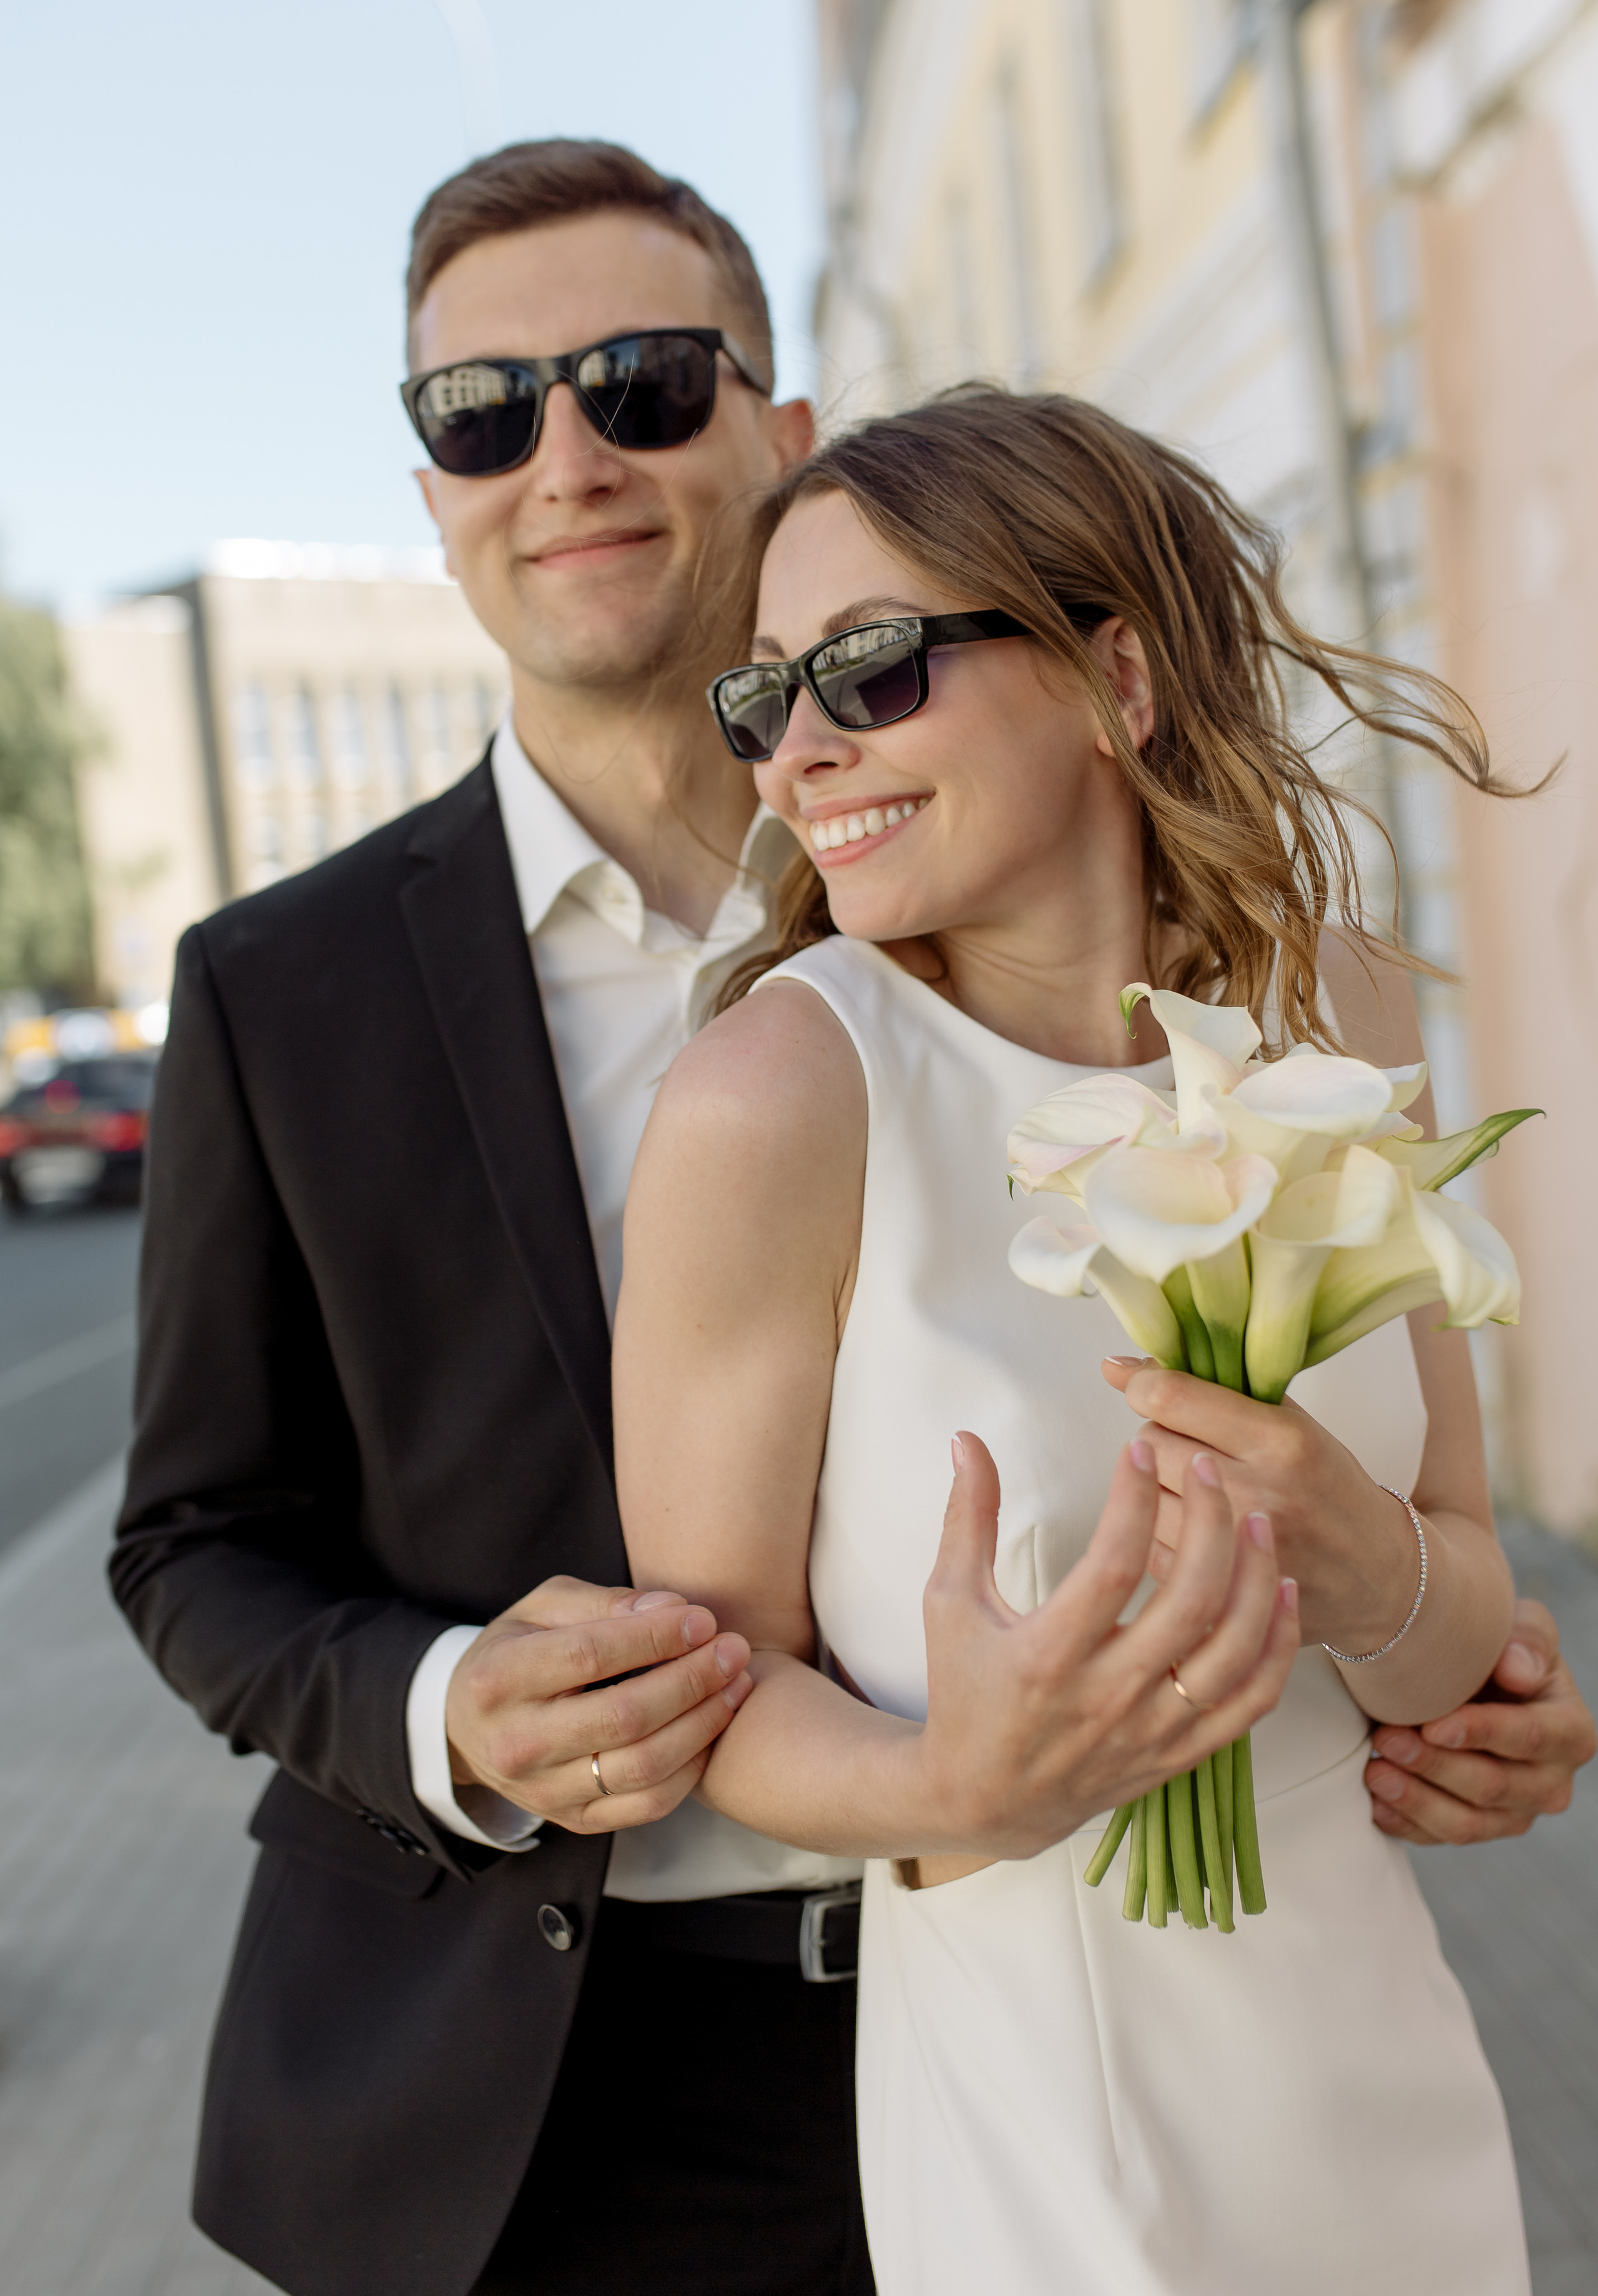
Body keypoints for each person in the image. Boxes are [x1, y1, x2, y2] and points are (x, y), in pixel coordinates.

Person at [107, 137, 1591, 2296]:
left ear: (776, 427)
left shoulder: (1236, 989)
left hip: (1228, 2025)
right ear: (428, 486)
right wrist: (446, 1708)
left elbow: (1419, 1579)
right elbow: (192, 1540)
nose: (566, 456)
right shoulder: (302, 992)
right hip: (575, 2079)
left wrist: (1455, 1664)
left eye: (640, 380)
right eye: (481, 411)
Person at [614, 388, 1591, 2293]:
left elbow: (1458, 1619)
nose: (800, 752)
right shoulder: (778, 1099)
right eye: (766, 697)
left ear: (1113, 672)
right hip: (1051, 2106)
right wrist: (950, 1787)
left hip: (1372, 2060)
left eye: (872, 667)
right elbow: (713, 1678)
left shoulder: (1340, 1016)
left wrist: (1365, 1552)